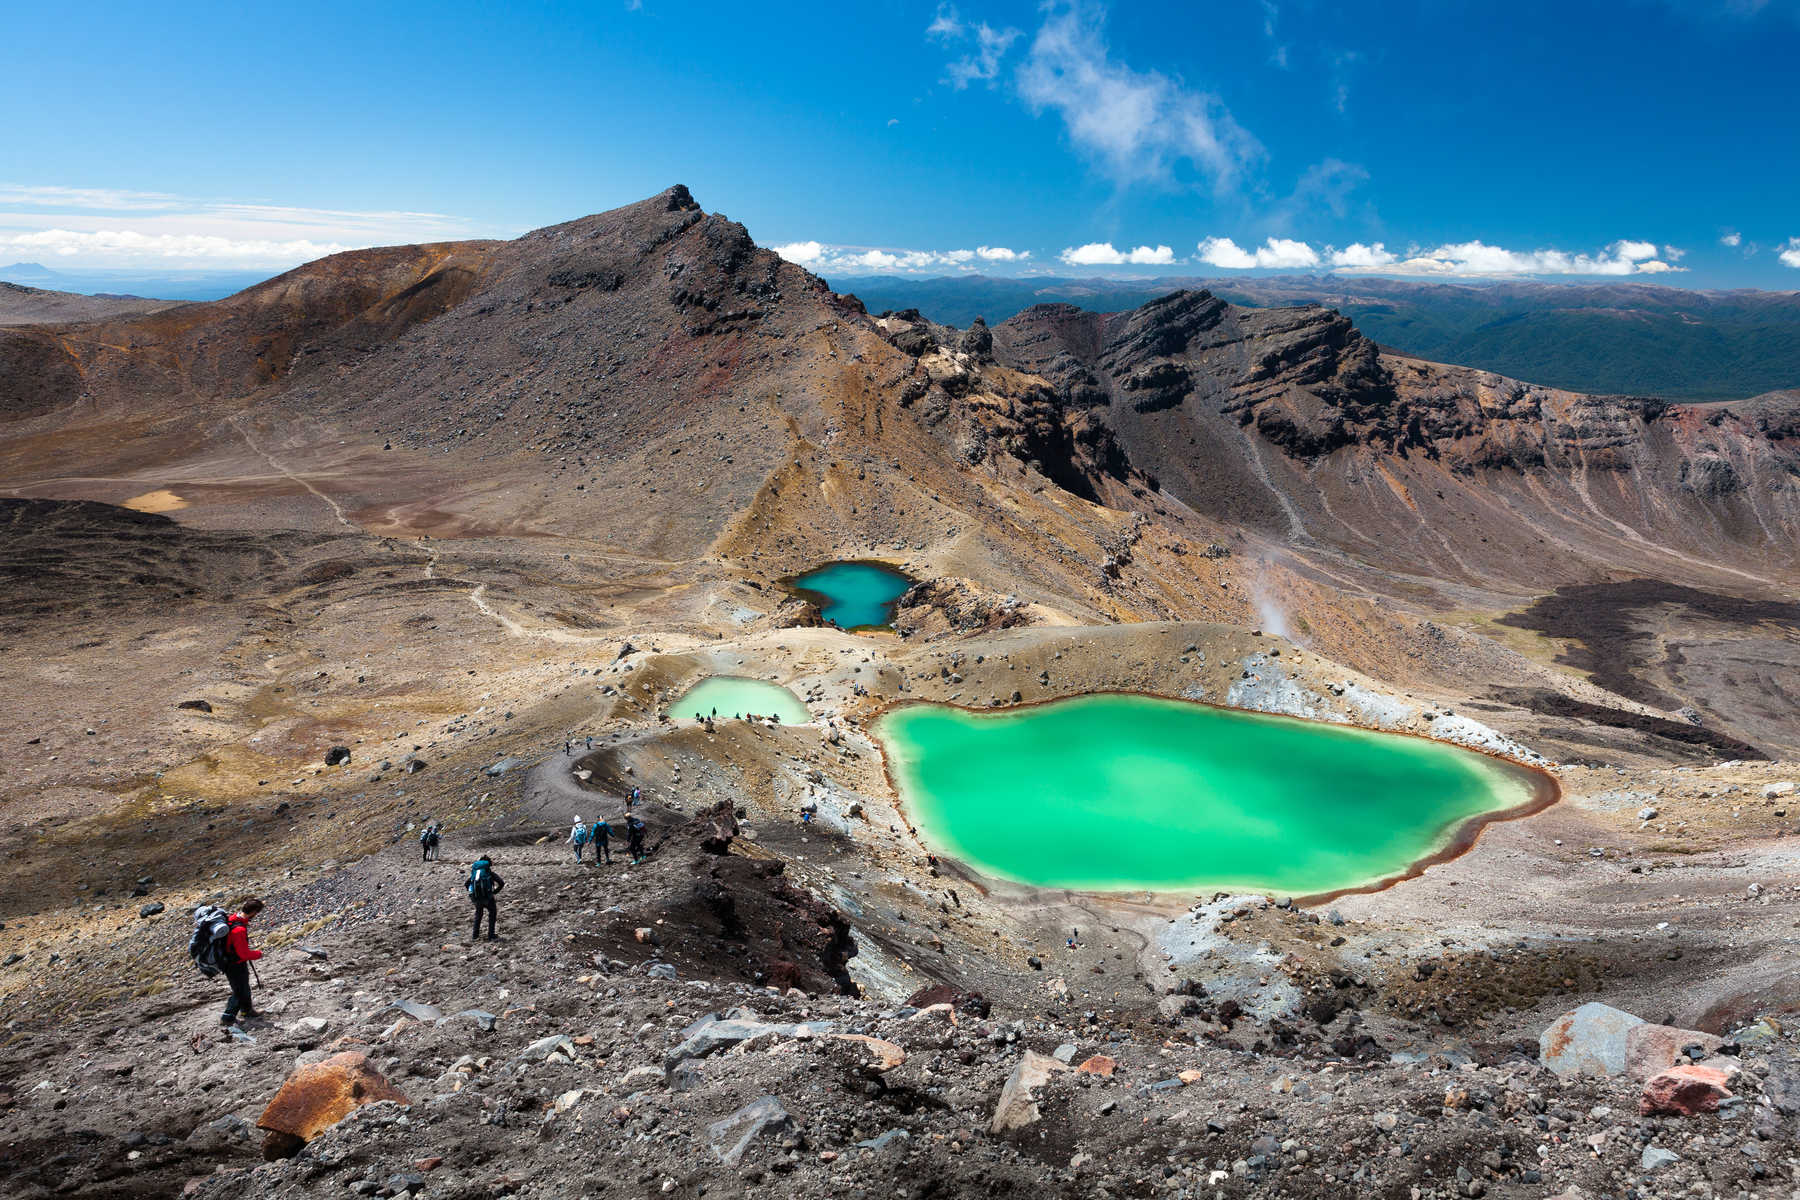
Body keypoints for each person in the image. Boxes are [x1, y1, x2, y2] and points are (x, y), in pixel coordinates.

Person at [221, 898, 265, 1026]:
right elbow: (243, 953)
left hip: (231, 961)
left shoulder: (232, 919)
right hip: (235, 963)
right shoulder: (238, 930)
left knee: (243, 987)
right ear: (254, 912)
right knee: (239, 990)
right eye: (257, 913)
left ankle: (247, 1010)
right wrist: (258, 954)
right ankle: (227, 1017)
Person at [467, 856, 503, 940]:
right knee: (492, 913)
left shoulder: (474, 874)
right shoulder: (489, 873)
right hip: (488, 897)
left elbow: (466, 884)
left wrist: (473, 893)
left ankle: (475, 936)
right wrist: (495, 892)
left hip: (476, 898)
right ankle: (491, 935)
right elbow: (501, 883)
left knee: (478, 915)